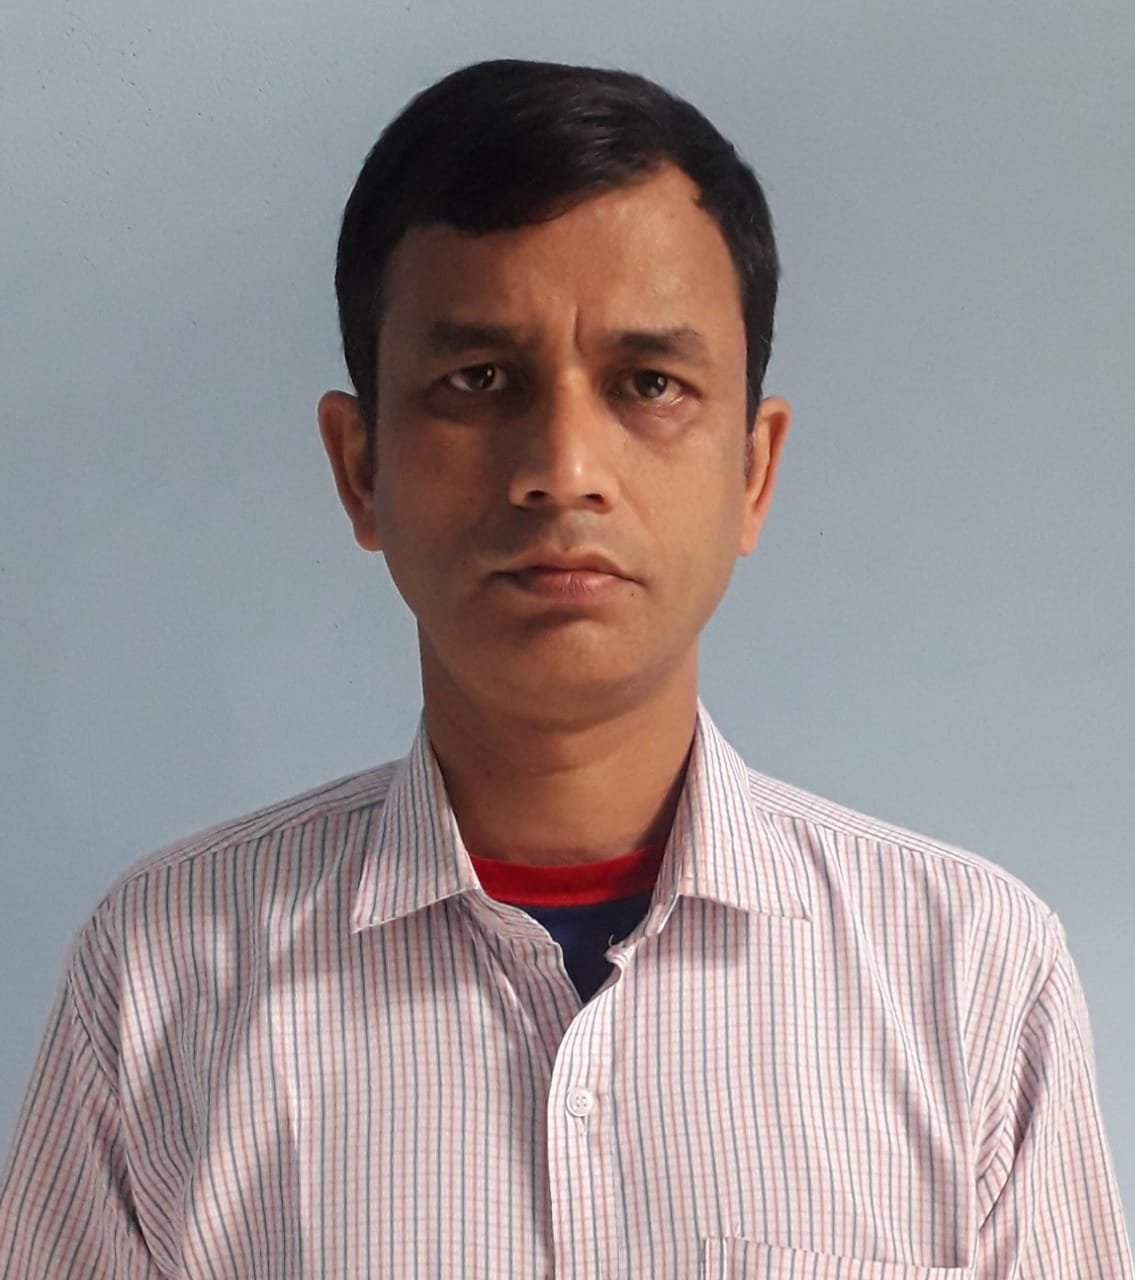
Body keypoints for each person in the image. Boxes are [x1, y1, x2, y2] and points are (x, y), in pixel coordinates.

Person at [0, 58, 1130, 1280]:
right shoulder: (163, 979)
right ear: (360, 467)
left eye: (649, 384)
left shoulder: (970, 973)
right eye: (478, 380)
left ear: (753, 471)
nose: (562, 467)